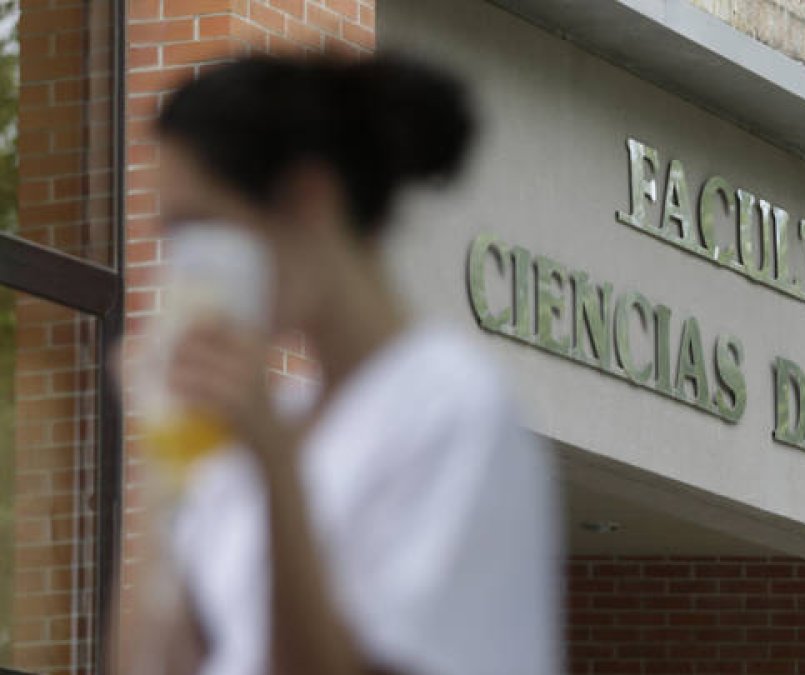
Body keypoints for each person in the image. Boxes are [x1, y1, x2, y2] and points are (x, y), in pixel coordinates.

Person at [125, 54, 560, 675]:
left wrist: (277, 469)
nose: (184, 264)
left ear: (309, 199)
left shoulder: (451, 406)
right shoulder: (266, 426)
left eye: (202, 226)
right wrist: (160, 456)